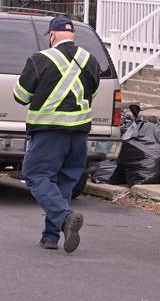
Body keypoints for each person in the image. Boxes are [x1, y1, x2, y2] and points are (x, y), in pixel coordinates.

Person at [13, 15, 101, 253]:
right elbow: (92, 92)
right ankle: (50, 236)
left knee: (35, 175)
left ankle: (65, 218)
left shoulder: (40, 59)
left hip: (49, 132)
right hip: (79, 135)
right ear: (73, 35)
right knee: (63, 184)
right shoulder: (90, 60)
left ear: (52, 36)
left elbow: (20, 96)